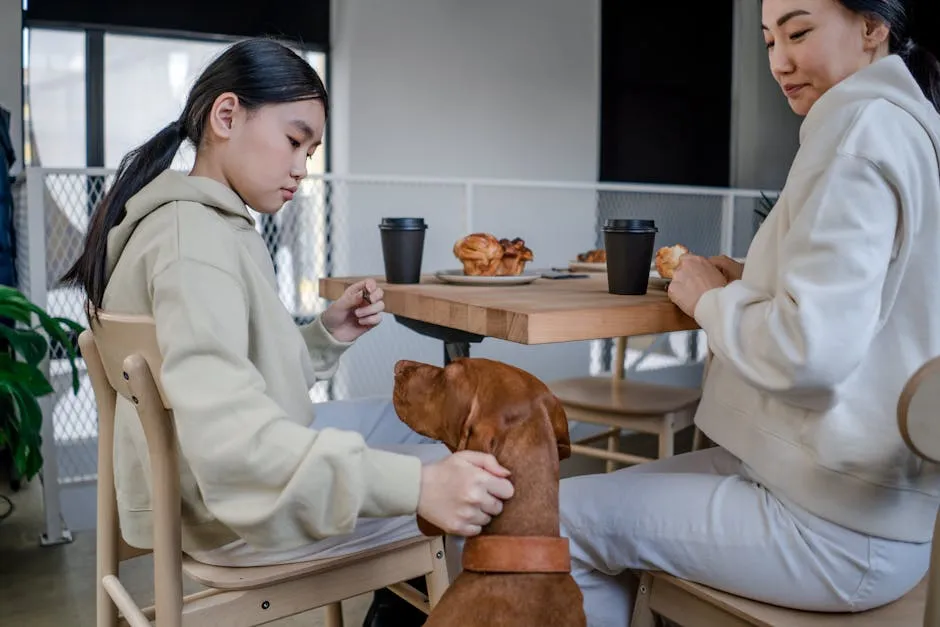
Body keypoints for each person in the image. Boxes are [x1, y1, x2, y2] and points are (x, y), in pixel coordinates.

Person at [63, 37, 514, 620]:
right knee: (463, 460)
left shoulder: (186, 221)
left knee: (418, 429)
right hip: (231, 514)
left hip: (186, 487)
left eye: (312, 149)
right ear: (226, 115)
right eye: (294, 140)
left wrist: (324, 334)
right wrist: (421, 488)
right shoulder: (195, 242)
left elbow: (224, 375)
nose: (302, 168)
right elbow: (233, 445)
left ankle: (392, 608)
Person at [556, 1, 940, 625]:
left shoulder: (858, 136)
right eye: (768, 41)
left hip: (834, 525)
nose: (780, 62)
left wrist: (709, 298)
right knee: (586, 509)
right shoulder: (902, 127)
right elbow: (875, 303)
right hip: (859, 501)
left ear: (874, 28)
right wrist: (752, 279)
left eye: (799, 31)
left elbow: (810, 352)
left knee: (554, 523)